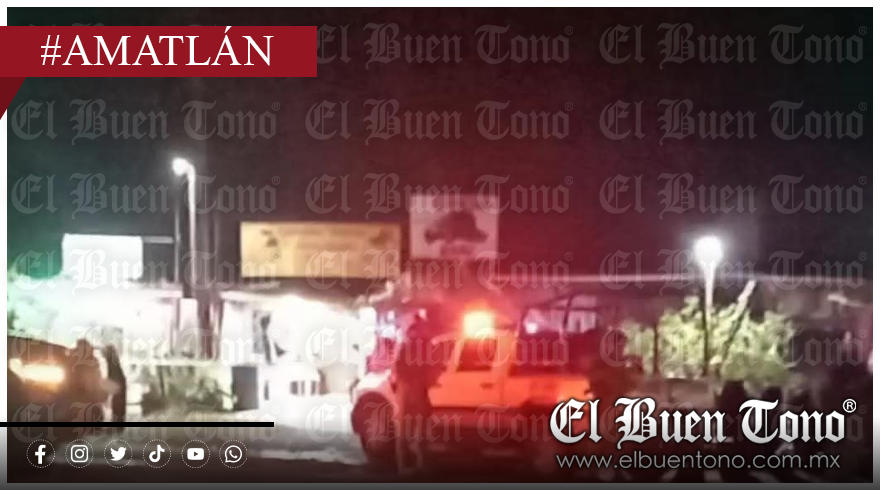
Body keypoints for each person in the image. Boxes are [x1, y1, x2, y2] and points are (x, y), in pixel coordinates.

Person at [393, 318, 436, 477]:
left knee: (418, 431)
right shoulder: (411, 347)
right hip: (410, 391)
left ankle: (416, 465)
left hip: (416, 391)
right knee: (409, 430)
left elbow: (431, 368)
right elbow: (400, 369)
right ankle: (407, 466)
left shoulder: (421, 346)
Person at [102, 344, 127, 423]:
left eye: (105, 351)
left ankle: (118, 422)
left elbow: (112, 374)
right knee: (118, 403)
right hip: (120, 382)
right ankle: (118, 422)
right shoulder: (113, 359)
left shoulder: (111, 360)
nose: (103, 353)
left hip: (118, 383)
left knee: (117, 403)